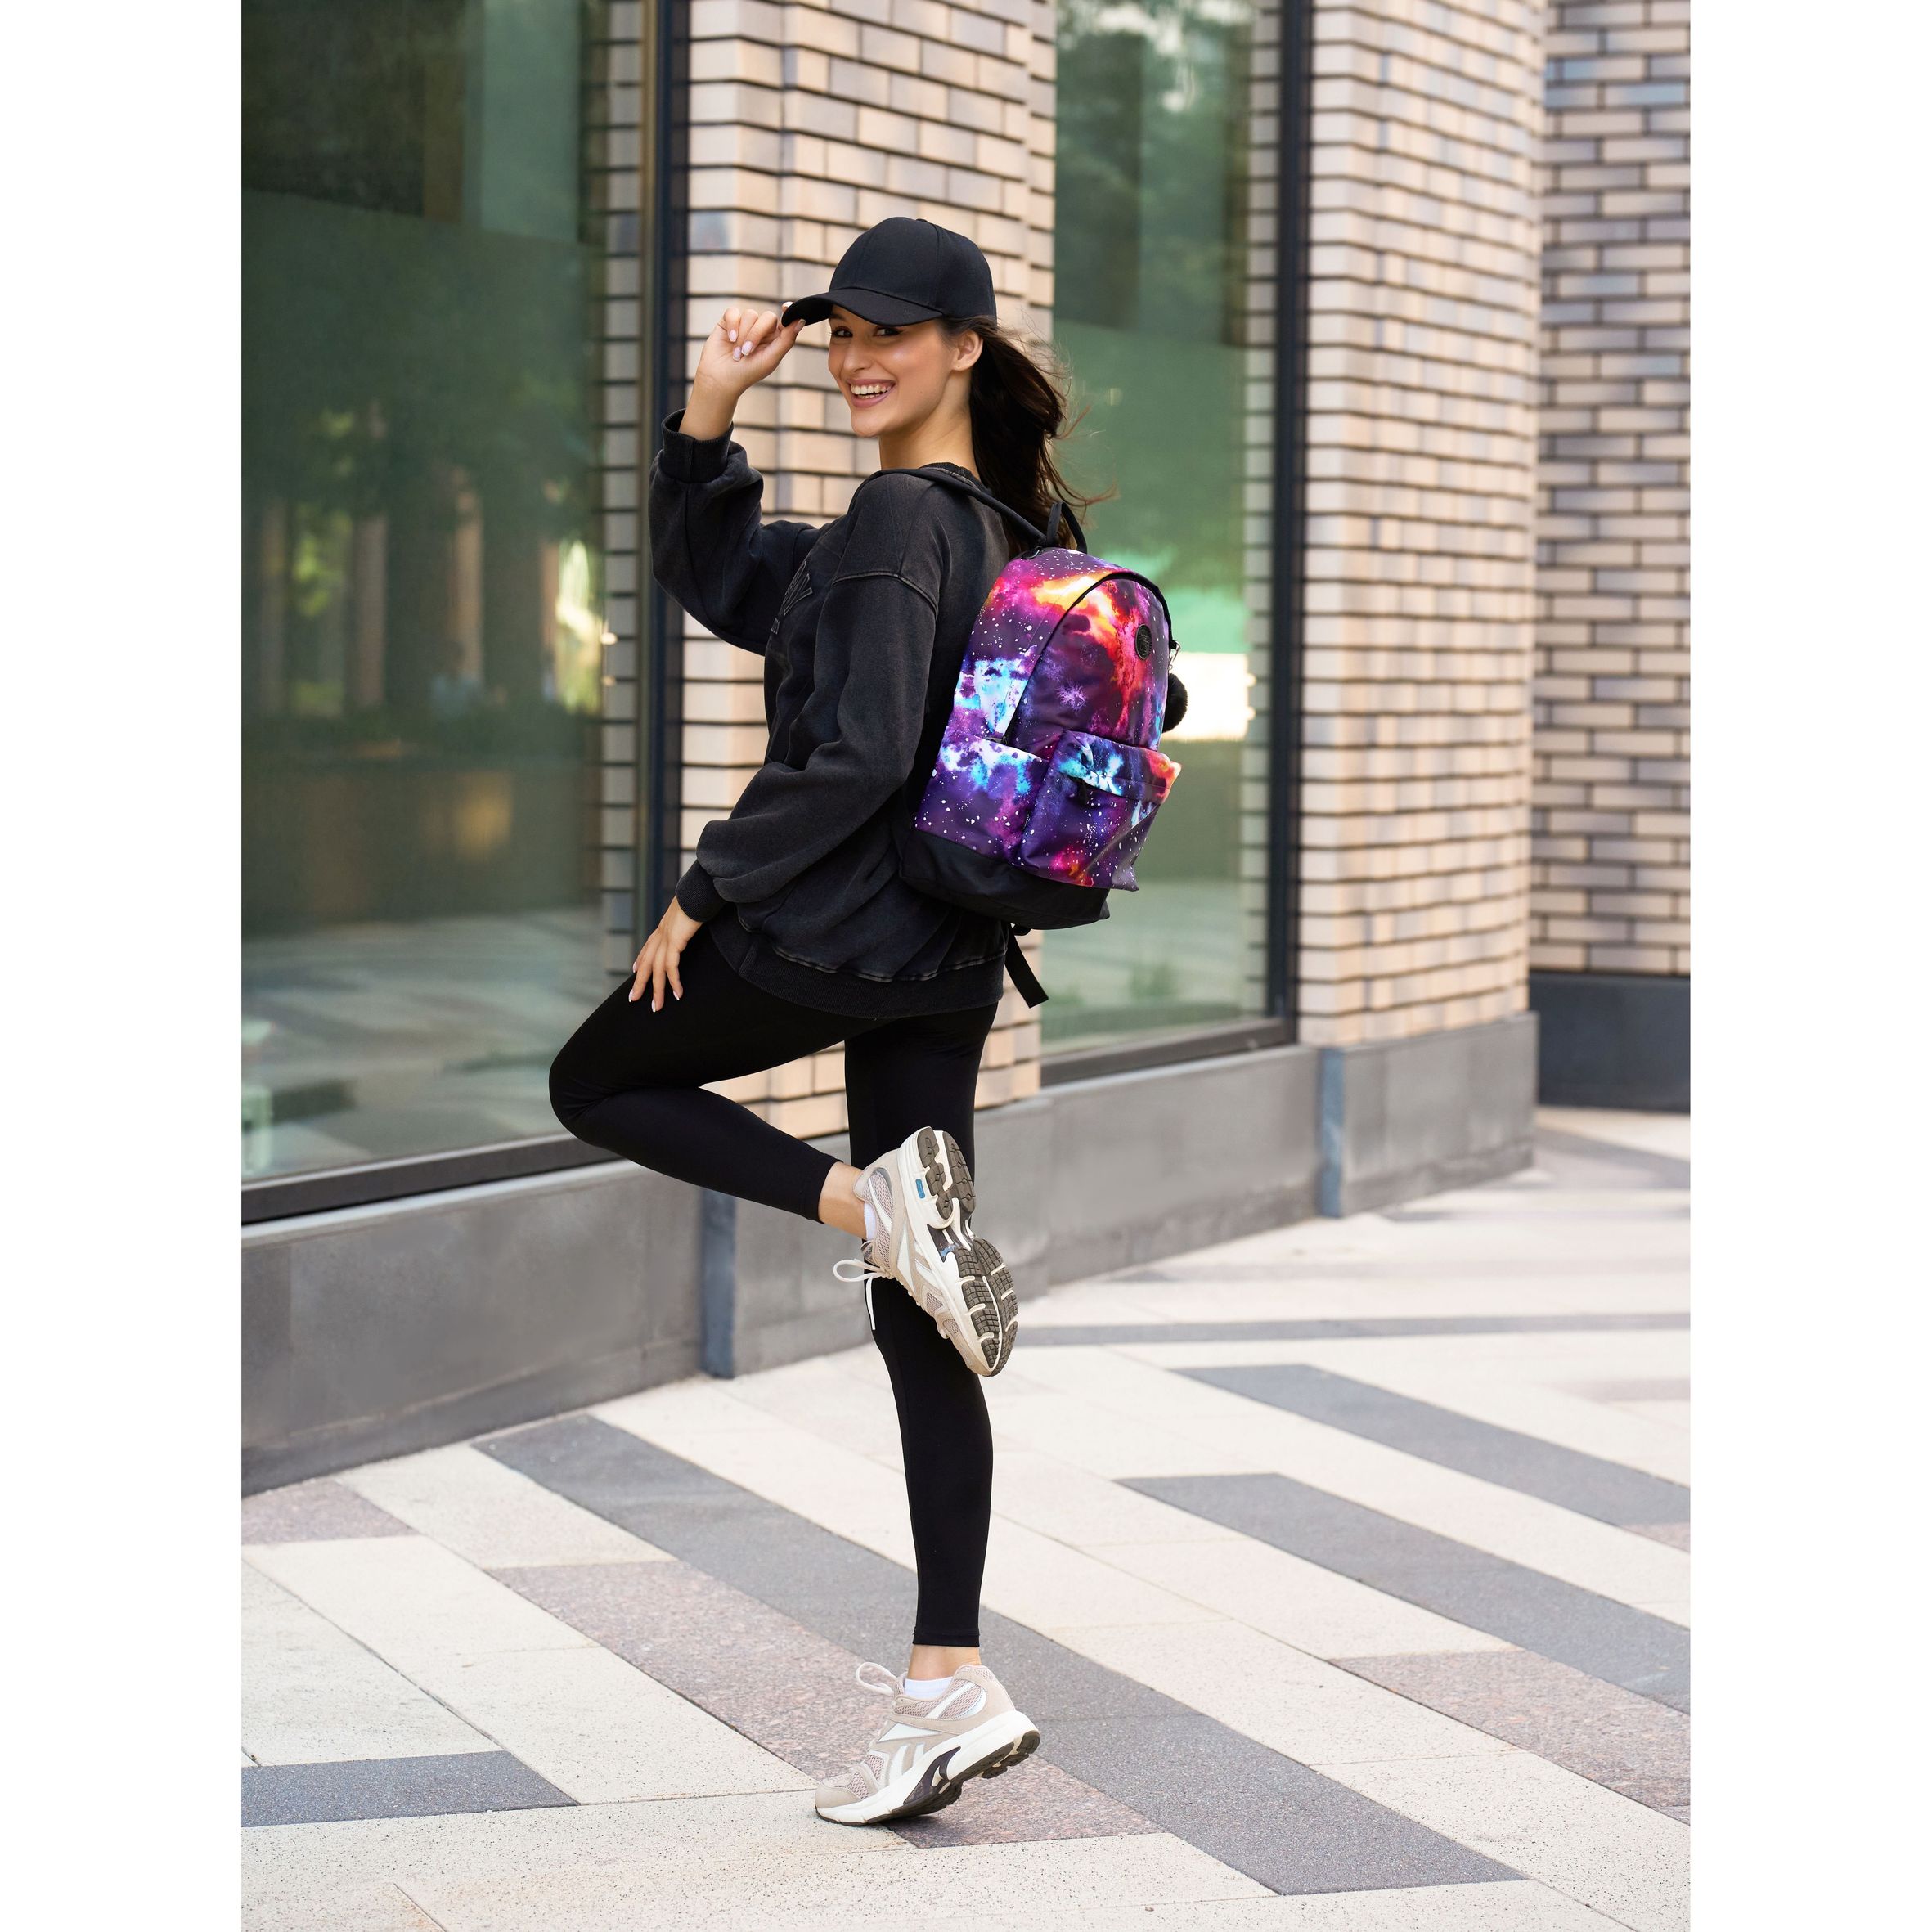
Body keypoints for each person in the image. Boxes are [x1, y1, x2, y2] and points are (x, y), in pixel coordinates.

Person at [549, 217, 1098, 1826]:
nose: (855, 358)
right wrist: (709, 413)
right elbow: (735, 582)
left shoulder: (893, 518)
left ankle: (868, 1204)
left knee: (598, 1076)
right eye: (839, 332)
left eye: (888, 333)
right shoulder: (1008, 524)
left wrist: (702, 890)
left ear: (962, 348)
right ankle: (947, 1682)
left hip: (840, 933)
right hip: (951, 951)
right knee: (921, 1313)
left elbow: (850, 752)